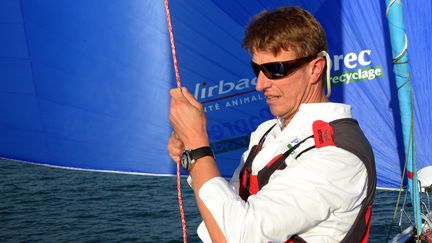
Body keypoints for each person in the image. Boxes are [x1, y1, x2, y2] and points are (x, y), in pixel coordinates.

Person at [168, 6, 376, 243]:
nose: (260, 84)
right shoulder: (266, 133)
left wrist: (197, 146)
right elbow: (224, 216)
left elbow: (235, 235)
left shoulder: (338, 156)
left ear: (315, 69)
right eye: (257, 69)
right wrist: (190, 151)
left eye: (275, 70)